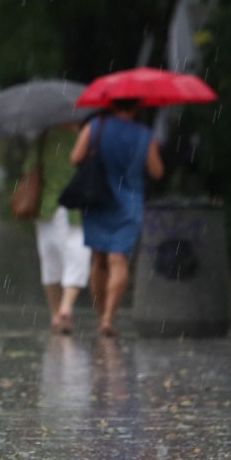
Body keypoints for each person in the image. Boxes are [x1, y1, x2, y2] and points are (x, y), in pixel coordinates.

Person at [69, 98, 164, 337]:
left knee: (98, 261)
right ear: (137, 107)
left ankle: (100, 313)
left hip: (97, 198)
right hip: (128, 203)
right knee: (118, 261)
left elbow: (75, 158)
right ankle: (109, 317)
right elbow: (156, 171)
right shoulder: (144, 134)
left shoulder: (96, 126)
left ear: (112, 105)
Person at [26, 124, 91, 334]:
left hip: (47, 207)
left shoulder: (44, 138)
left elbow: (29, 169)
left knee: (50, 259)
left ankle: (55, 314)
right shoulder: (83, 138)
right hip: (75, 207)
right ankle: (67, 306)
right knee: (78, 256)